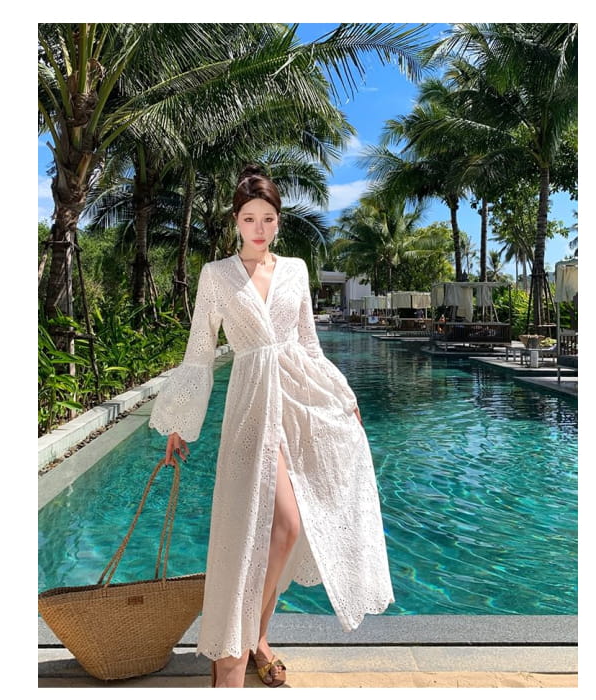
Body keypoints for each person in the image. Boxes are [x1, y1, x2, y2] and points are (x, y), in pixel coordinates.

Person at [149, 165, 394, 688]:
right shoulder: (217, 275)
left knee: (287, 529)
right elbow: (199, 353)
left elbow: (308, 345)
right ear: (235, 221)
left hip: (298, 402)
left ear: (279, 221)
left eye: (268, 219)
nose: (258, 229)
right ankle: (235, 647)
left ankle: (254, 639)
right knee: (260, 528)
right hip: (249, 405)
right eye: (248, 218)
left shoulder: (296, 270)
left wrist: (342, 397)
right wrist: (180, 424)